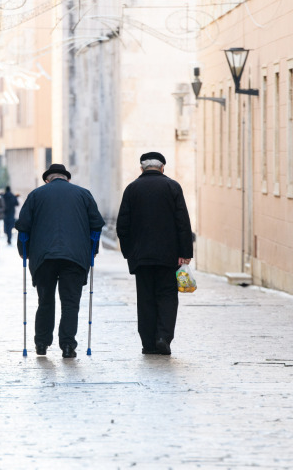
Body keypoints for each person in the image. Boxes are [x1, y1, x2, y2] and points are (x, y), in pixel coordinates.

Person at [15, 164, 105, 358]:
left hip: (43, 258)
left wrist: (23, 251)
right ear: (67, 179)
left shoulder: (36, 195)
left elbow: (23, 226)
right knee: (70, 302)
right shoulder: (83, 194)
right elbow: (96, 225)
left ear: (47, 180)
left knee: (45, 301)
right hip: (75, 257)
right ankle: (67, 345)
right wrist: (92, 251)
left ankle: (41, 344)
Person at [116, 152, 193, 356]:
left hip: (141, 257)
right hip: (169, 257)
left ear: (141, 169)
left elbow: (122, 225)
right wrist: (185, 252)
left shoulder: (132, 189)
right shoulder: (172, 187)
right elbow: (182, 222)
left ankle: (148, 343)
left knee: (146, 298)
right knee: (167, 296)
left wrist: (129, 253)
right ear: (162, 168)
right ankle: (163, 338)